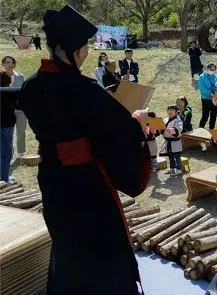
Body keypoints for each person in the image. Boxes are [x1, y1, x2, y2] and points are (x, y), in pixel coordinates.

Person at [19, 5, 151, 293]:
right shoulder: (86, 91)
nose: (87, 52)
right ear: (72, 50)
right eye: (84, 47)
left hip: (52, 178)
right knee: (101, 249)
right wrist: (136, 123)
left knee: (66, 244)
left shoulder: (30, 86)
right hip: (86, 184)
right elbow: (115, 135)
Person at [2, 56, 26, 164]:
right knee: (8, 134)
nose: (10, 64)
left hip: (20, 110)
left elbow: (23, 93)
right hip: (6, 111)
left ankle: (21, 154)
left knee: (21, 132)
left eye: (12, 62)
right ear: (3, 64)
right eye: (7, 62)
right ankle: (9, 155)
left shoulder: (20, 76)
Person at [0, 71, 18, 182]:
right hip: (6, 126)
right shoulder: (9, 93)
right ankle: (4, 178)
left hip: (5, 126)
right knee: (6, 154)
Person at [160, 105, 184, 176]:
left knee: (177, 156)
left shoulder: (178, 120)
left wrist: (168, 129)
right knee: (170, 156)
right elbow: (162, 129)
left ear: (176, 112)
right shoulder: (166, 120)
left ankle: (179, 169)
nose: (170, 112)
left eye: (172, 110)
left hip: (175, 142)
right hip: (168, 141)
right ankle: (172, 169)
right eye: (169, 110)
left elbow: (178, 130)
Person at [198, 62, 217, 129]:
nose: (212, 71)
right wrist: (211, 94)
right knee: (205, 116)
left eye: (213, 69)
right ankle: (200, 129)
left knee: (213, 116)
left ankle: (211, 130)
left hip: (215, 100)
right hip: (206, 99)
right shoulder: (202, 77)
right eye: (210, 69)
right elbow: (202, 89)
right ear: (207, 68)